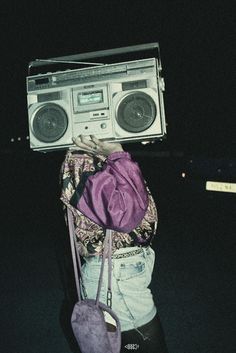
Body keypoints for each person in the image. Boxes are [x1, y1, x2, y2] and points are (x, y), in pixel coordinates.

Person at [60, 135, 168, 353]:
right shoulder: (82, 158)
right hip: (115, 275)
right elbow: (122, 215)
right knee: (144, 344)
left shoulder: (95, 155)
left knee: (119, 343)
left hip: (120, 270)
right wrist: (118, 155)